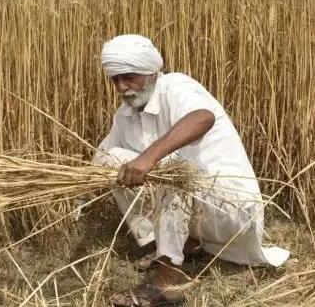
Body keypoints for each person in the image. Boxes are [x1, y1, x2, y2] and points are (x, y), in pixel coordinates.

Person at [93, 34, 290, 306]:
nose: (122, 87)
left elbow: (202, 117)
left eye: (129, 77)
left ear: (151, 72)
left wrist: (148, 159)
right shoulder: (125, 115)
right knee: (110, 159)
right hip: (201, 213)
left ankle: (168, 282)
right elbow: (100, 159)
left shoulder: (176, 86)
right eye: (115, 80)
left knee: (174, 172)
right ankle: (178, 246)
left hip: (231, 210)